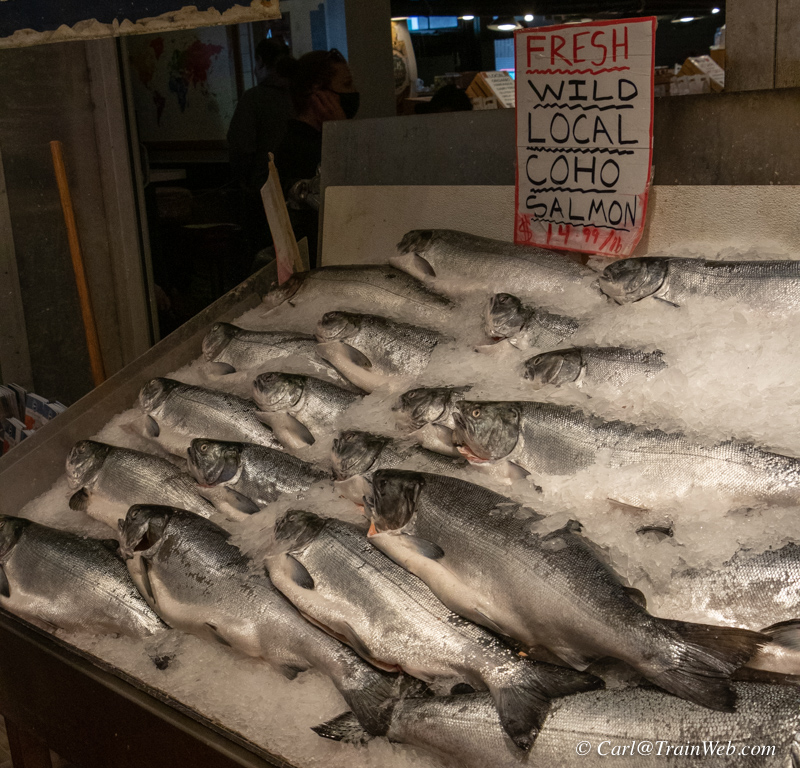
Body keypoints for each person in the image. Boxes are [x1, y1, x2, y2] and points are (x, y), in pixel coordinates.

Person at [275, 48, 359, 266]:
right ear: (319, 93)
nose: (354, 92)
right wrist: (341, 134)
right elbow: (351, 203)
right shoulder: (298, 149)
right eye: (347, 84)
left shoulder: (319, 142)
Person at [227, 39, 294, 256]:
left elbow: (241, 146)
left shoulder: (254, 99)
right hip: (297, 191)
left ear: (260, 62)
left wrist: (245, 182)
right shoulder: (298, 98)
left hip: (263, 192)